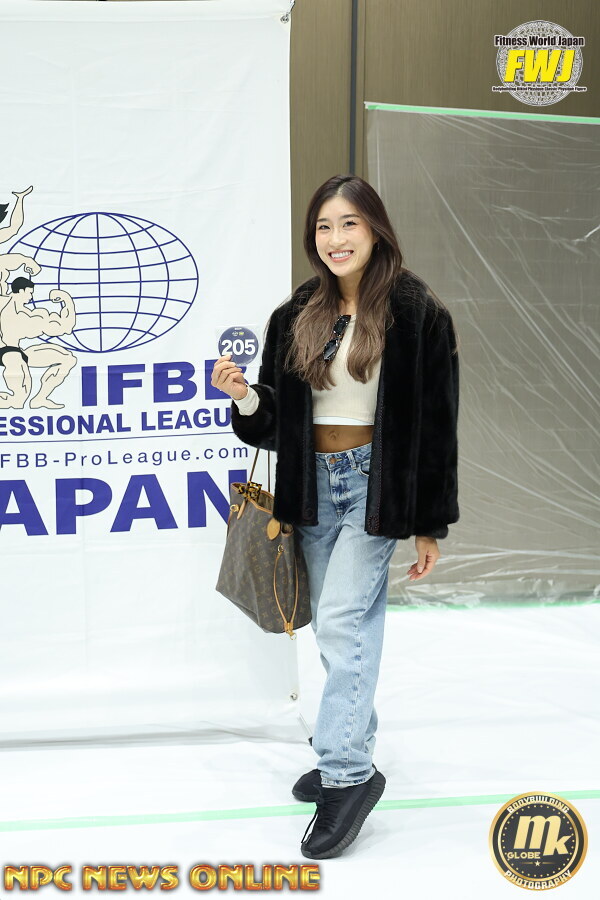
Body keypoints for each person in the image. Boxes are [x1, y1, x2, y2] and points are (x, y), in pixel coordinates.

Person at [211, 174, 459, 859]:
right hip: (310, 488)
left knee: (347, 624)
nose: (335, 238)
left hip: (375, 488)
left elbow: (437, 425)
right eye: (324, 226)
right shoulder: (298, 313)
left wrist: (429, 522)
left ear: (375, 229)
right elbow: (275, 426)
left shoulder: (416, 312)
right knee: (335, 631)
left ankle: (346, 775)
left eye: (349, 223)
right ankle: (348, 750)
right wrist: (245, 397)